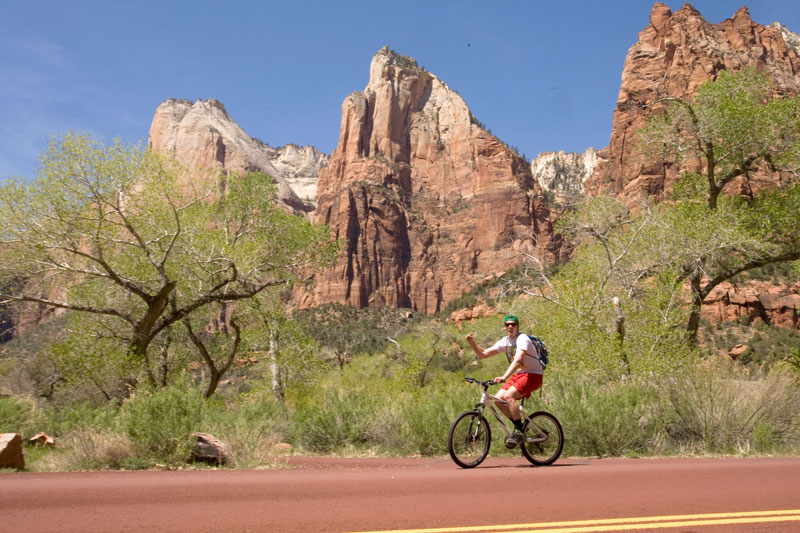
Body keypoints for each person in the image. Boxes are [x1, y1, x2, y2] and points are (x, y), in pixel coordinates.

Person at [465, 314, 544, 447]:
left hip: (533, 374)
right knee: (498, 400)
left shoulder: (522, 339)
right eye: (507, 325)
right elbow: (484, 354)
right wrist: (472, 342)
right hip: (520, 375)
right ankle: (520, 427)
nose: (510, 326)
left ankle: (519, 432)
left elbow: (518, 359)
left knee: (508, 396)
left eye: (513, 324)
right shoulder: (506, 341)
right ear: (505, 327)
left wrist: (504, 377)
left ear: (518, 326)